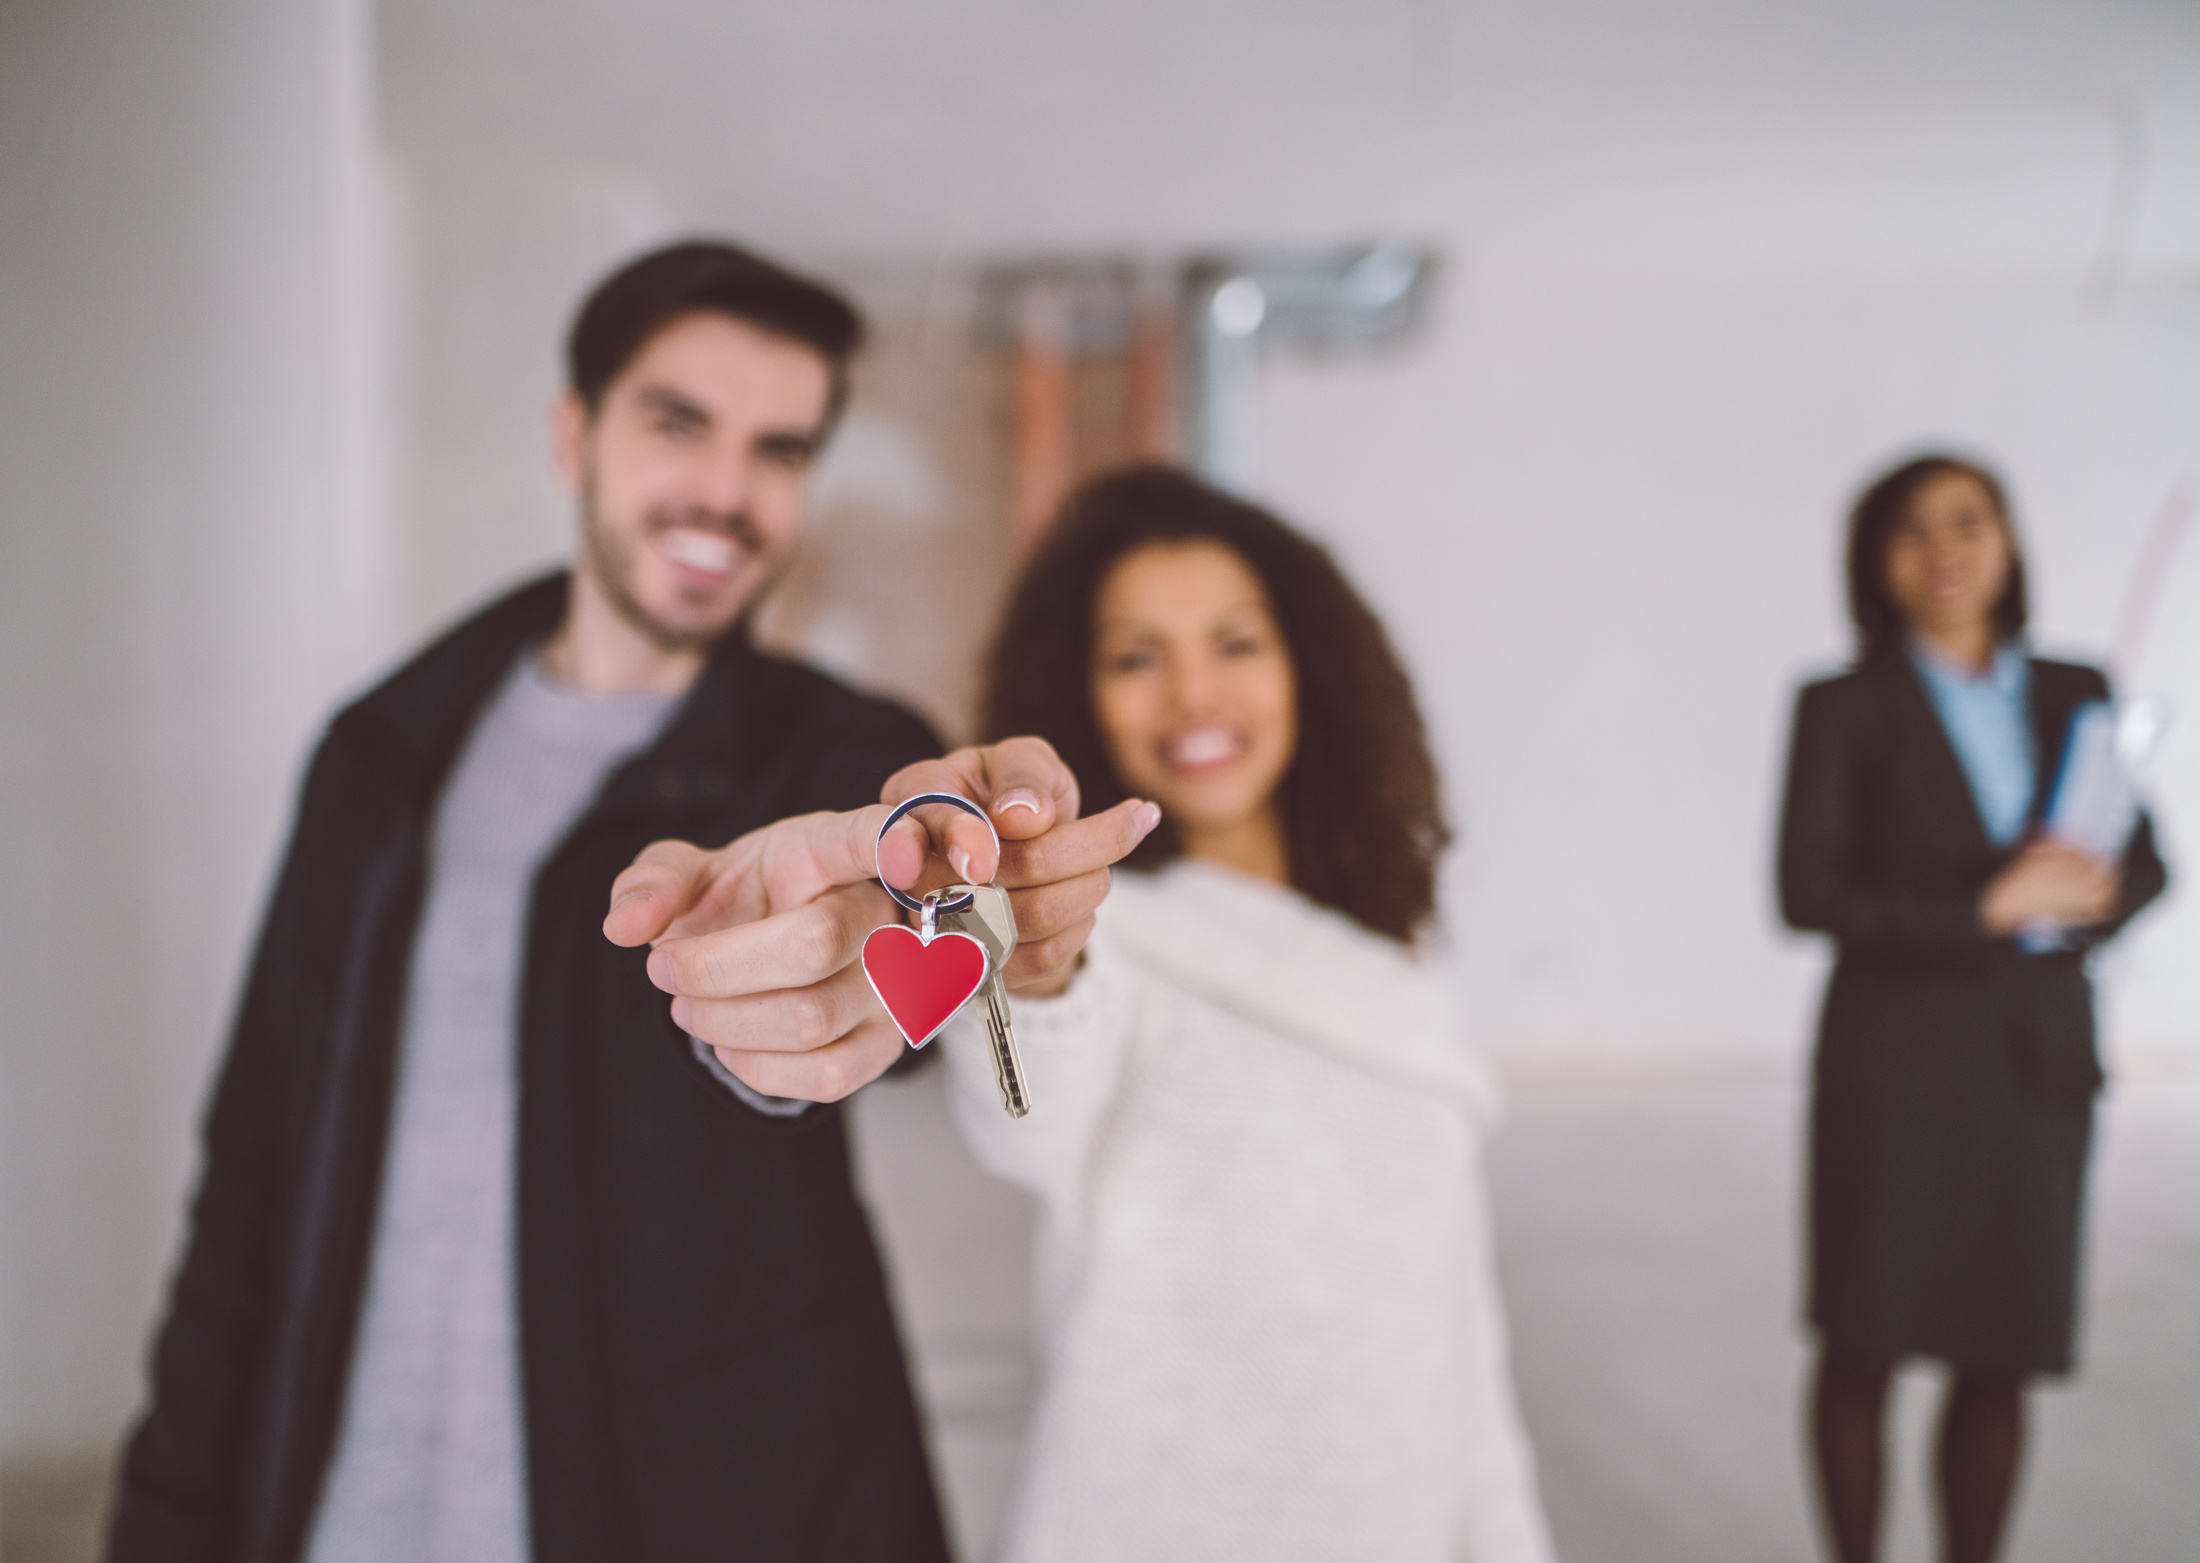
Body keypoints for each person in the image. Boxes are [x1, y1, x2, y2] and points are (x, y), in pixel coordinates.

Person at [108, 240, 1153, 1563]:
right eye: (679, 424)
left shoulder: (831, 756)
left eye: (780, 449)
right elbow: (257, 1164)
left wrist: (861, 973)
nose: (727, 491)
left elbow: (871, 927)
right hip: (339, 1502)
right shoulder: (381, 752)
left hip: (693, 1506)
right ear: (573, 434)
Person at [933, 465, 1556, 1561]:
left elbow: (1454, 1335)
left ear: (1306, 664)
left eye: (1235, 642)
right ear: (1079, 694)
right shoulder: (1092, 935)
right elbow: (1022, 1119)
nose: (1194, 695)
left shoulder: (1391, 950)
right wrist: (1030, 961)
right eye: (1137, 657)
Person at [1777, 454, 2169, 1563]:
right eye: (1909, 531)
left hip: (2037, 1067)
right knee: (1865, 1344)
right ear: (1874, 562)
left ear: (2006, 542)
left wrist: (2090, 897)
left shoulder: (2074, 690)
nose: (1943, 550)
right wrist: (1987, 905)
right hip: (1892, 1072)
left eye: (1967, 522)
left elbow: (2148, 866)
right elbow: (1806, 893)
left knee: (1998, 1351)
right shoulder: (1841, 705)